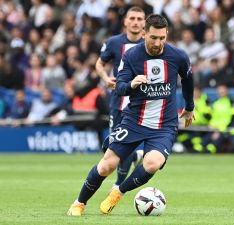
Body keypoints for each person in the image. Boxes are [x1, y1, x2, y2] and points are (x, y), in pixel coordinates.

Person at [67, 14, 194, 216]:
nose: (158, 42)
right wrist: (132, 85)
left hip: (164, 124)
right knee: (107, 165)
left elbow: (188, 79)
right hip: (134, 120)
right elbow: (119, 88)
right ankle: (79, 203)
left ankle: (118, 191)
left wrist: (189, 106)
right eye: (153, 37)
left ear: (167, 34)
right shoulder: (132, 56)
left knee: (152, 163)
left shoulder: (178, 56)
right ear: (144, 34)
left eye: (162, 38)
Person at [95, 6, 145, 189]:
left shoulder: (150, 44)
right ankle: (134, 156)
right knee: (114, 143)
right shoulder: (114, 42)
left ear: (144, 23)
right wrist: (106, 79)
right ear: (125, 21)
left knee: (125, 142)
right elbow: (99, 64)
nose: (135, 22)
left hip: (141, 101)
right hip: (119, 99)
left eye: (140, 19)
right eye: (132, 18)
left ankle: (118, 184)